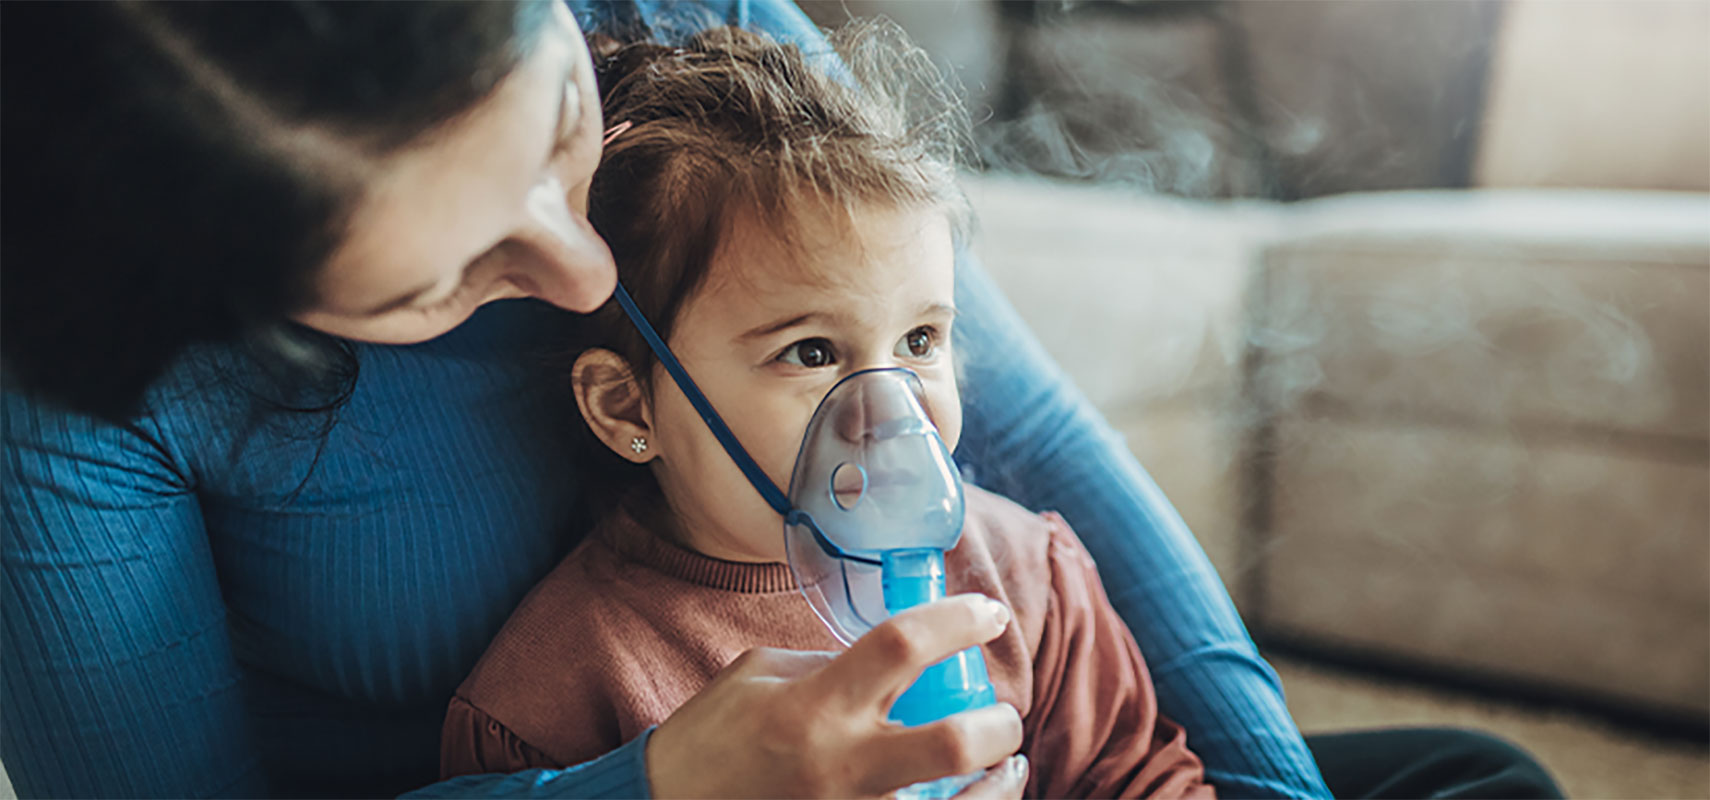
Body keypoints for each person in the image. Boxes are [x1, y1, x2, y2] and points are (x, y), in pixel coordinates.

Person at [0, 1, 1560, 798]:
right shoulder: (79, 383)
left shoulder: (690, 23)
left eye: (563, 130)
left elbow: (1032, 448)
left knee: (1467, 777)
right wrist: (656, 792)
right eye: (441, 275)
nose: (576, 268)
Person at [439, 25, 1211, 799]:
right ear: (624, 404)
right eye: (811, 353)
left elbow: (1144, 782)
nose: (885, 412)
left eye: (919, 339)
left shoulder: (1022, 581)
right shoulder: (563, 687)